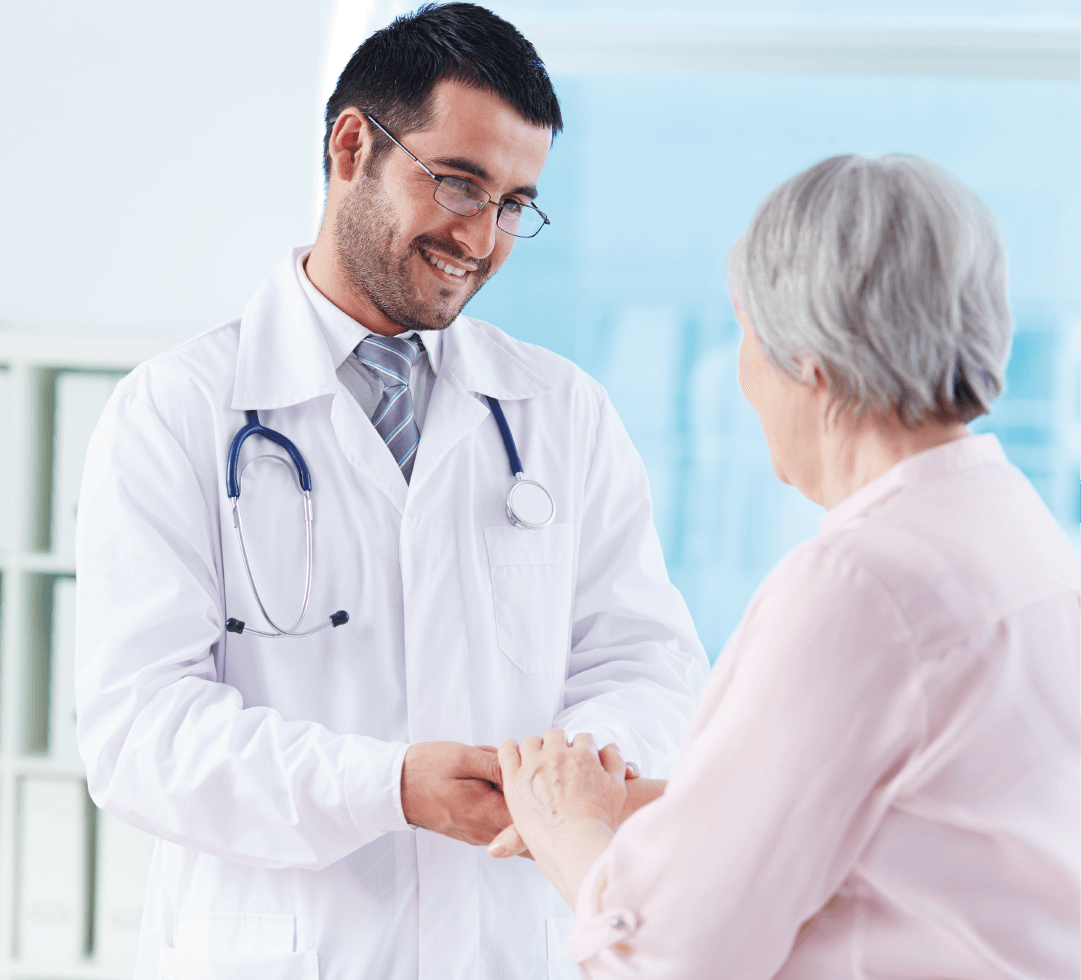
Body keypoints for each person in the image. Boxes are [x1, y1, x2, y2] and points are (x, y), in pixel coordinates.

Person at [74, 6, 708, 978]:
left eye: (513, 204)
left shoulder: (561, 411)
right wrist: (388, 786)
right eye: (458, 183)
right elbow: (140, 733)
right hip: (285, 949)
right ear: (350, 146)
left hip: (506, 948)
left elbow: (649, 661)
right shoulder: (176, 411)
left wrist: (576, 768)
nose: (481, 237)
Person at [492, 154, 1081, 978]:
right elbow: (915, 824)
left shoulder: (860, 586)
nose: (740, 376)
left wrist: (565, 827)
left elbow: (666, 957)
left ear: (808, 356)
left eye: (744, 333)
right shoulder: (1013, 529)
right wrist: (656, 810)